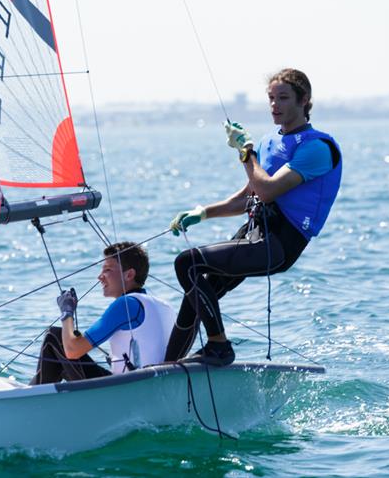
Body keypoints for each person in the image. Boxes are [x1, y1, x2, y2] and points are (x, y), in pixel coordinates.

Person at [164, 68, 342, 366]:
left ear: (304, 100)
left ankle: (219, 347)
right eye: (271, 98)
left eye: (283, 98)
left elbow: (268, 190)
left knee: (187, 262)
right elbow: (249, 195)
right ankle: (165, 367)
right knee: (194, 297)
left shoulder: (317, 148)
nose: (275, 105)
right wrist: (202, 213)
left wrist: (246, 152)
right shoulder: (268, 142)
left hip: (279, 244)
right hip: (253, 234)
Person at [30, 241, 175, 384]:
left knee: (54, 337)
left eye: (107, 270)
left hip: (128, 392)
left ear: (129, 274)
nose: (100, 276)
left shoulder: (126, 304)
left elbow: (72, 351)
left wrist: (67, 313)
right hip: (155, 387)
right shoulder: (165, 306)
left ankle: (30, 401)